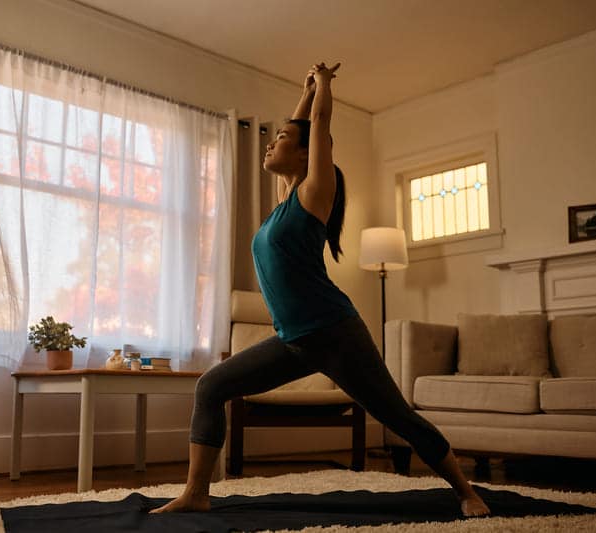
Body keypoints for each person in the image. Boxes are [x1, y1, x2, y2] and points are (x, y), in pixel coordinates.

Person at [151, 62, 490, 518]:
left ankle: (466, 491)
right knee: (210, 387)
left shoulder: (316, 191)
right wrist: (304, 91)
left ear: (308, 155)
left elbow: (318, 130)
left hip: (335, 333)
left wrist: (325, 87)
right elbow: (303, 130)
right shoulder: (283, 202)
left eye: (282, 141)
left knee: (396, 417)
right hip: (293, 341)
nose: (271, 144)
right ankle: (196, 492)